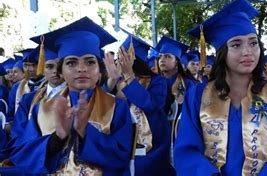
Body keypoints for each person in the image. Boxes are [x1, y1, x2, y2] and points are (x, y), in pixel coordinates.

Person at [174, 0, 267, 175]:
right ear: (222, 53)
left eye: (253, 43)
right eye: (236, 45)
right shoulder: (197, 96)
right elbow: (186, 151)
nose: (247, 51)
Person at [9, 16, 133, 175]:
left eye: (90, 62)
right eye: (71, 63)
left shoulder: (117, 107)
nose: (81, 69)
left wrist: (85, 132)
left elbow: (121, 159)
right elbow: (20, 153)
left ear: (99, 69)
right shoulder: (40, 108)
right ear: (61, 72)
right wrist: (57, 139)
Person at [104, 32, 173, 175]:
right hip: (119, 142)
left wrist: (129, 76)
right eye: (119, 57)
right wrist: (111, 80)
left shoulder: (156, 81)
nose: (119, 61)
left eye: (124, 57)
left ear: (135, 60)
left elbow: (151, 105)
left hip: (152, 145)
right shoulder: (116, 81)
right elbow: (101, 106)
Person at [153, 36, 195, 143]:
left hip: (181, 131)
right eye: (160, 56)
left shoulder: (188, 83)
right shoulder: (153, 82)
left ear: (176, 61)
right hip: (157, 131)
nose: (162, 59)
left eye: (167, 56)